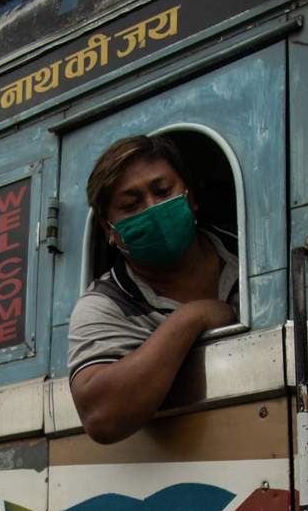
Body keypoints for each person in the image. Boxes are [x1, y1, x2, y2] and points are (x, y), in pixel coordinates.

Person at [67, 134, 239, 444]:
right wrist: (193, 317)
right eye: (131, 205)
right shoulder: (105, 304)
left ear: (190, 197)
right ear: (109, 229)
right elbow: (101, 416)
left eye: (162, 192)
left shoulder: (250, 250)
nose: (153, 208)